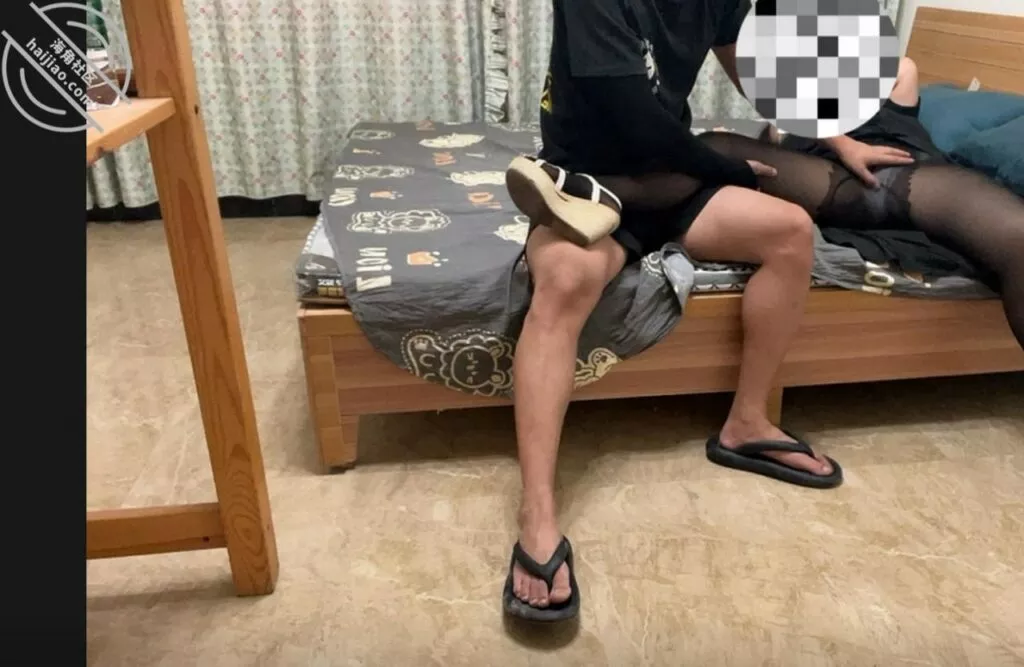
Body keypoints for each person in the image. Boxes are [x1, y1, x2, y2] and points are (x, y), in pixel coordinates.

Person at [502, 0, 915, 623]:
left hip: (670, 179)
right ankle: (537, 514)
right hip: (589, 188)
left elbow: (756, 71)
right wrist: (727, 168)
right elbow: (634, 118)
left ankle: (746, 423)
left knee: (790, 231)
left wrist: (837, 139)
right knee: (562, 280)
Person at [695, 56, 1024, 351]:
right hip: (863, 174)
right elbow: (779, 125)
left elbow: (898, 67)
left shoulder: (893, 87)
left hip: (903, 165)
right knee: (710, 148)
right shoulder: (809, 122)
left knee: (1015, 236)